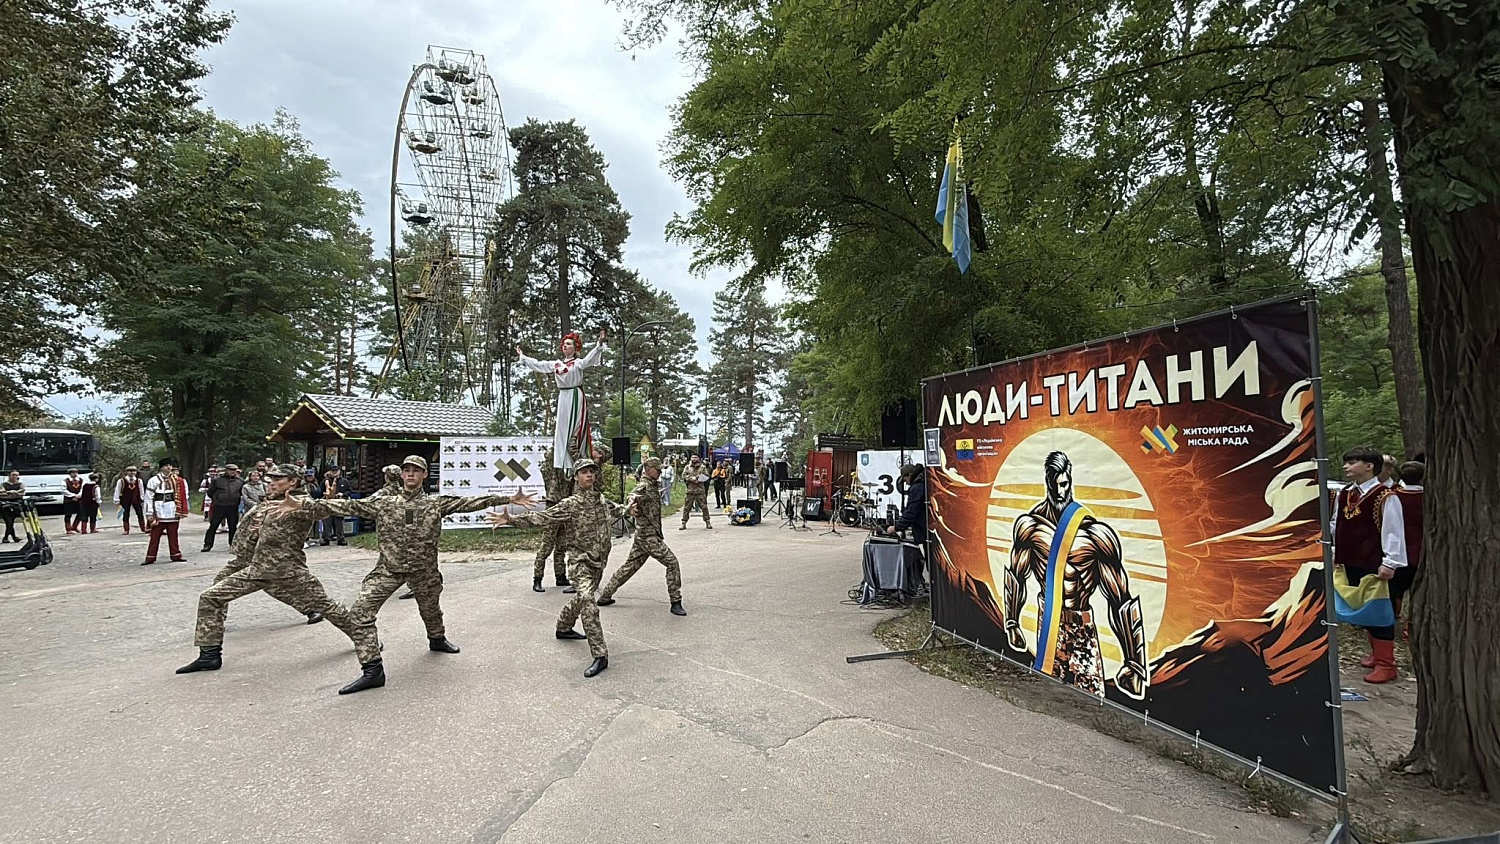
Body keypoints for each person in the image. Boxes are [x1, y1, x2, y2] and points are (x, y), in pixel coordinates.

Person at [297, 455, 535, 656]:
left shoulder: (434, 503)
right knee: (361, 612)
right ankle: (372, 668)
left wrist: (509, 499)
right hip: (388, 569)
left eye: (416, 471)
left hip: (424, 570)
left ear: (424, 476)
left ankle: (437, 639)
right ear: (401, 475)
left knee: (430, 610)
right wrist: (303, 506)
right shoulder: (385, 503)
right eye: (406, 470)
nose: (410, 474)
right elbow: (346, 506)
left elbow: (468, 502)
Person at [177, 464, 384, 695]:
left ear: (293, 482)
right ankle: (209, 655)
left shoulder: (300, 502)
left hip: (289, 571)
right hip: (257, 569)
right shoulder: (270, 500)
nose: (272, 482)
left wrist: (323, 500)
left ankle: (368, 644)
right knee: (211, 597)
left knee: (328, 607)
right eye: (271, 478)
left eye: (278, 479)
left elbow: (320, 510)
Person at [1004, 451, 1150, 700]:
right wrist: (1012, 622)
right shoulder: (1030, 527)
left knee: (1091, 699)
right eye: (1055, 485)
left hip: (1081, 625)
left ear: (1070, 481)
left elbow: (1120, 599)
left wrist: (1134, 662)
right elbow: (1016, 575)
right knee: (1048, 691)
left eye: (1065, 484)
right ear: (1047, 483)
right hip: (1048, 622)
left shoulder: (1095, 534)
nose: (1060, 492)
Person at [490, 458, 623, 678]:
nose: (589, 475)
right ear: (576, 477)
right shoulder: (571, 504)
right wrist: (512, 519)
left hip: (599, 562)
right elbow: (542, 517)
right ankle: (600, 654)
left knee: (581, 598)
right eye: (584, 472)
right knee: (589, 602)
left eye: (592, 472)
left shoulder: (601, 500)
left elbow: (616, 512)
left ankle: (563, 626)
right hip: (580, 562)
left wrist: (630, 508)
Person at [1330, 445, 1409, 684]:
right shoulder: (1344, 493)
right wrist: (1335, 551)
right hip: (1351, 559)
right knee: (1363, 607)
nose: (1346, 466)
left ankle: (1387, 664)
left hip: (1375, 562)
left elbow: (1393, 531)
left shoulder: (1386, 496)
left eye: (1352, 462)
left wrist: (1391, 562)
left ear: (1369, 466)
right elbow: (1337, 524)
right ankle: (1376, 654)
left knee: (1379, 612)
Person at [597, 457, 686, 616]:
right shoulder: (644, 485)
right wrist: (631, 505)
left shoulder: (652, 485)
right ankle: (676, 601)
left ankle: (605, 595)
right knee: (672, 563)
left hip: (643, 536)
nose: (659, 472)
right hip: (648, 537)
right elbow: (632, 495)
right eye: (657, 469)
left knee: (629, 567)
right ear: (649, 468)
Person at [517, 329, 609, 471]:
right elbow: (539, 365)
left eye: (569, 344)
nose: (565, 346)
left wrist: (599, 344)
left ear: (575, 348)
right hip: (563, 396)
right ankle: (563, 462)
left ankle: (578, 459)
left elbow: (589, 360)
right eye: (564, 344)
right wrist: (523, 357)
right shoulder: (557, 364)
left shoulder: (577, 363)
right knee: (562, 427)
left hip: (574, 395)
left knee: (575, 427)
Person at [532, 446, 573, 593]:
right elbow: (551, 453)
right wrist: (563, 441)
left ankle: (560, 575)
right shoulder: (550, 466)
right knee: (547, 545)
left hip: (566, 505)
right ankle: (537, 578)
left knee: (562, 544)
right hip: (553, 504)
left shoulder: (569, 467)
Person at [143, 458, 189, 565]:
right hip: (158, 510)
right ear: (161, 468)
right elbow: (148, 497)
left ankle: (175, 554)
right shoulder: (154, 480)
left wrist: (181, 509)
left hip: (172, 509)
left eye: (170, 465)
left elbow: (183, 495)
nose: (168, 467)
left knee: (173, 534)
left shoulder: (177, 480)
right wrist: (149, 513)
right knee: (155, 536)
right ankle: (151, 556)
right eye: (166, 465)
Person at [202, 464, 245, 551]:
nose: (233, 472)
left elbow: (241, 492)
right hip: (219, 506)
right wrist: (217, 499)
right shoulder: (217, 480)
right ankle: (208, 544)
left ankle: (233, 544)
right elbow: (210, 492)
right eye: (230, 470)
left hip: (233, 506)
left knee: (233, 526)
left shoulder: (240, 481)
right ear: (226, 470)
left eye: (234, 470)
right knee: (213, 526)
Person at [319, 466, 352, 546]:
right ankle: (326, 539)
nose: (334, 472)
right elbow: (320, 491)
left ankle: (341, 539)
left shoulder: (345, 481)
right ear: (330, 472)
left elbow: (349, 491)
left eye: (336, 470)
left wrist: (343, 494)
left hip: (339, 504)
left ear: (339, 471)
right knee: (327, 521)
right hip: (328, 504)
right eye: (333, 471)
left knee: (339, 522)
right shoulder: (325, 481)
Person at [680, 455, 712, 530]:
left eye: (695, 457)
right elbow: (684, 475)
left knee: (704, 507)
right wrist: (691, 478)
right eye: (692, 457)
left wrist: (698, 478)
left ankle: (707, 521)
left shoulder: (702, 467)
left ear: (698, 459)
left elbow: (707, 475)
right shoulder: (687, 467)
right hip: (690, 490)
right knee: (687, 507)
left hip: (700, 490)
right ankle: (684, 522)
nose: (694, 459)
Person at [113, 466, 147, 534]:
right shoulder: (121, 481)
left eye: (134, 471)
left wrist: (142, 499)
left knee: (140, 513)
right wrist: (116, 499)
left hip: (136, 499)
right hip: (125, 499)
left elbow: (141, 490)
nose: (132, 472)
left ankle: (143, 528)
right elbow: (118, 490)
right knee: (126, 514)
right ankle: (126, 529)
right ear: (127, 472)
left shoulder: (139, 480)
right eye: (130, 471)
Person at [1, 471, 24, 543]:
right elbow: (2, 494)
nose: (15, 477)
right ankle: (6, 537)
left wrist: (9, 493)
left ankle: (12, 537)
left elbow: (21, 493)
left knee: (11, 522)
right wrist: (15, 492)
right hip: (4, 505)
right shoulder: (3, 484)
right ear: (9, 476)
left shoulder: (20, 484)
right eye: (13, 475)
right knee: (9, 522)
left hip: (16, 505)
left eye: (16, 475)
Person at [62, 469, 83, 534]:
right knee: (68, 514)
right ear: (70, 474)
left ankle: (75, 526)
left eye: (76, 472)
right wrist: (72, 496)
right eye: (73, 473)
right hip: (69, 499)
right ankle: (68, 529)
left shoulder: (80, 480)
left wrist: (78, 496)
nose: (75, 474)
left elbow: (82, 488)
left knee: (81, 513)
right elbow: (64, 490)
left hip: (79, 499)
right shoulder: (65, 481)